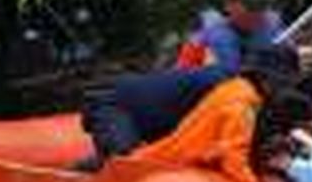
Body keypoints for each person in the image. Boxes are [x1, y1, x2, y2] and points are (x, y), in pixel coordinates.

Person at [130, 43, 312, 182]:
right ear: (268, 80)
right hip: (165, 170)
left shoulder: (234, 89)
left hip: (160, 163)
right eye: (283, 84)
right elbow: (233, 159)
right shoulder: (241, 105)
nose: (283, 91)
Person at [77, 64, 231, 170]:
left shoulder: (221, 86)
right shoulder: (226, 87)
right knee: (126, 161)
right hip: (115, 102)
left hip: (140, 104)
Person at [175, 0, 286, 74]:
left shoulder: (273, 28)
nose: (258, 14)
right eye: (251, 5)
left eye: (263, 4)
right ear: (229, 5)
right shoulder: (205, 40)